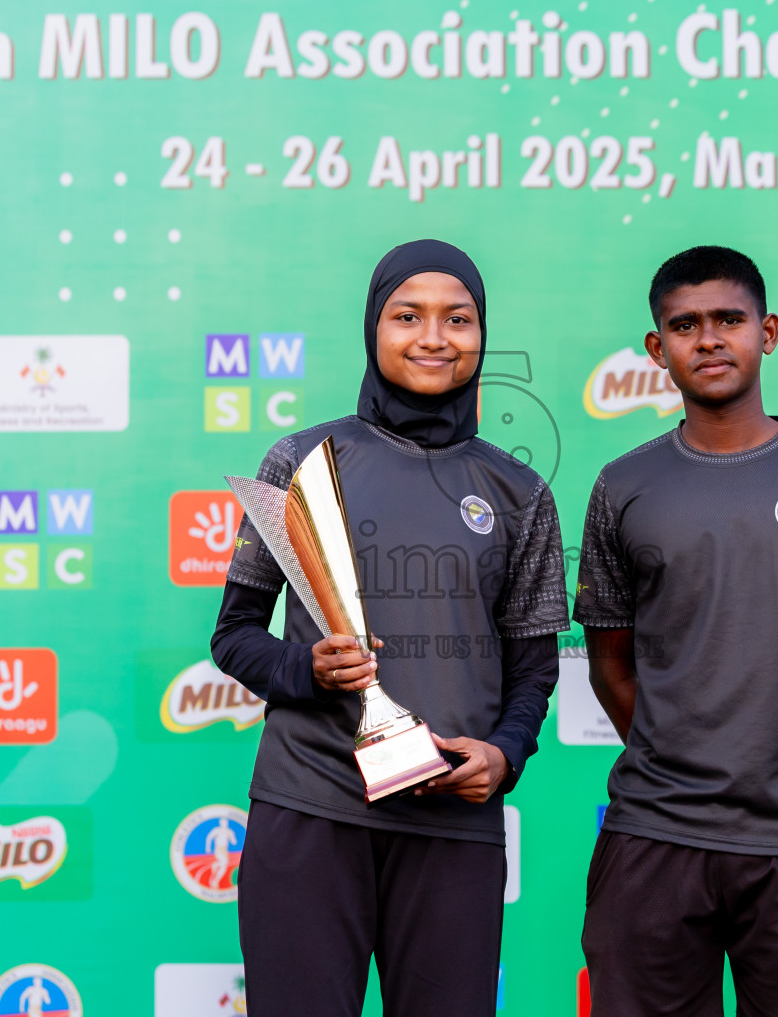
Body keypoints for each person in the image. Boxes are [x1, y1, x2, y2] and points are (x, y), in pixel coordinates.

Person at [210, 239, 569, 1017]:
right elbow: (234, 635)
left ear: (483, 332)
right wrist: (305, 670)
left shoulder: (518, 492)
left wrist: (504, 754)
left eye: (458, 318)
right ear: (374, 327)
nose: (434, 337)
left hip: (451, 823)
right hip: (311, 807)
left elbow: (536, 669)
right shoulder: (304, 461)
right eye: (408, 316)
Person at [574, 246, 778, 1016]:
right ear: (658, 350)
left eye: (729, 319)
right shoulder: (622, 486)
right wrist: (684, 755)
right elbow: (609, 668)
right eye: (685, 325)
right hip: (654, 837)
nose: (710, 339)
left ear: (769, 331)